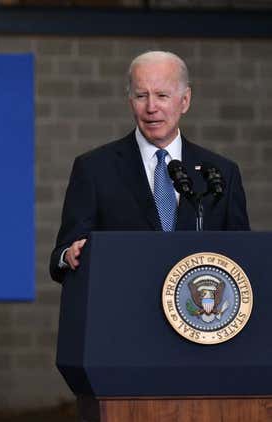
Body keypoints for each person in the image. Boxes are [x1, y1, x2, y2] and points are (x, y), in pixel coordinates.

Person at [49, 51, 250, 284]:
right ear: (130, 101)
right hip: (123, 311)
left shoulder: (221, 173)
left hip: (196, 313)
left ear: (185, 101)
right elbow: (59, 259)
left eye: (162, 95)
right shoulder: (94, 168)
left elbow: (243, 258)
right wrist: (69, 255)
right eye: (141, 96)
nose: (151, 107)